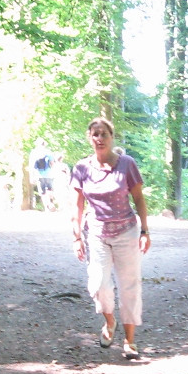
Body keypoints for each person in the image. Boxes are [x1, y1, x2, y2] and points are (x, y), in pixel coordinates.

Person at [70, 117, 151, 360]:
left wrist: (145, 231)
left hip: (127, 231)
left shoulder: (127, 164)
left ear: (111, 136)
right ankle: (109, 321)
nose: (99, 138)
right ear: (89, 138)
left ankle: (130, 341)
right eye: (95, 134)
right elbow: (76, 205)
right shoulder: (82, 168)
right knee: (98, 284)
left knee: (129, 286)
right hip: (97, 232)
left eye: (104, 134)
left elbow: (139, 199)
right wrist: (76, 237)